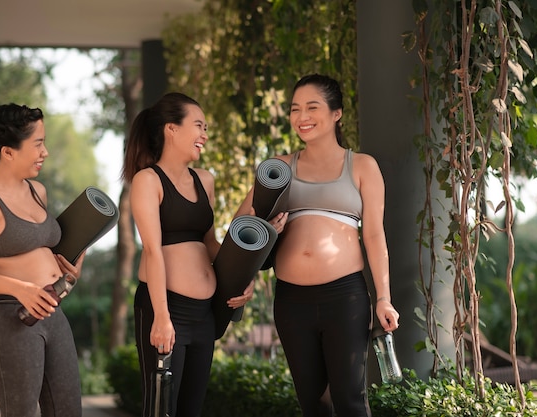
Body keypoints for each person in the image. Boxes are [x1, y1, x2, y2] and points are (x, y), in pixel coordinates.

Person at [236, 74, 400, 417]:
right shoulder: (278, 167)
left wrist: (383, 297)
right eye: (295, 109)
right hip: (292, 300)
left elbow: (373, 236)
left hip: (345, 297)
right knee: (313, 404)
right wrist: (245, 273)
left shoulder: (363, 166)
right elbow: (241, 228)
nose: (301, 116)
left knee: (350, 401)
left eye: (312, 107)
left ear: (336, 113)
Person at [0, 103, 85, 417]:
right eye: (38, 144)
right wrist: (21, 289)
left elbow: (45, 253)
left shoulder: (38, 191)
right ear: (9, 152)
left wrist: (70, 269)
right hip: (9, 315)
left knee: (68, 411)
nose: (45, 152)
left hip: (52, 309)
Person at [123, 92, 254, 417]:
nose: (204, 135)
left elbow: (209, 242)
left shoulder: (204, 180)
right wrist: (162, 317)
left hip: (203, 314)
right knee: (160, 409)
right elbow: (153, 251)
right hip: (166, 309)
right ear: (171, 129)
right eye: (198, 125)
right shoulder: (147, 180)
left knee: (191, 411)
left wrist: (242, 276)